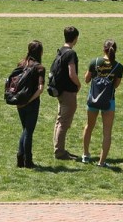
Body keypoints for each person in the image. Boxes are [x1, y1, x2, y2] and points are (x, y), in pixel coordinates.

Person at [81, 40, 123, 168]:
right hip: (109, 101)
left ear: (103, 49)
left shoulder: (95, 62)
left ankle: (85, 155)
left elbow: (86, 80)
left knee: (89, 126)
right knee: (107, 132)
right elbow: (116, 85)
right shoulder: (118, 66)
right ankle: (101, 161)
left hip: (93, 99)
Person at [14, 41, 45, 168]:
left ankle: (20, 159)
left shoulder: (21, 64)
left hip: (19, 101)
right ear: (40, 52)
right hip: (31, 103)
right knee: (28, 131)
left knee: (25, 130)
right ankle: (28, 161)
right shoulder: (39, 68)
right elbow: (40, 88)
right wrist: (30, 100)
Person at [53, 26, 81, 160]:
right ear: (75, 38)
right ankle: (60, 151)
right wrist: (78, 84)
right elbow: (72, 73)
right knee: (64, 122)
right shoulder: (71, 53)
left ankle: (58, 148)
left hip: (59, 90)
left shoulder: (60, 51)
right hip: (68, 91)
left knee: (60, 121)